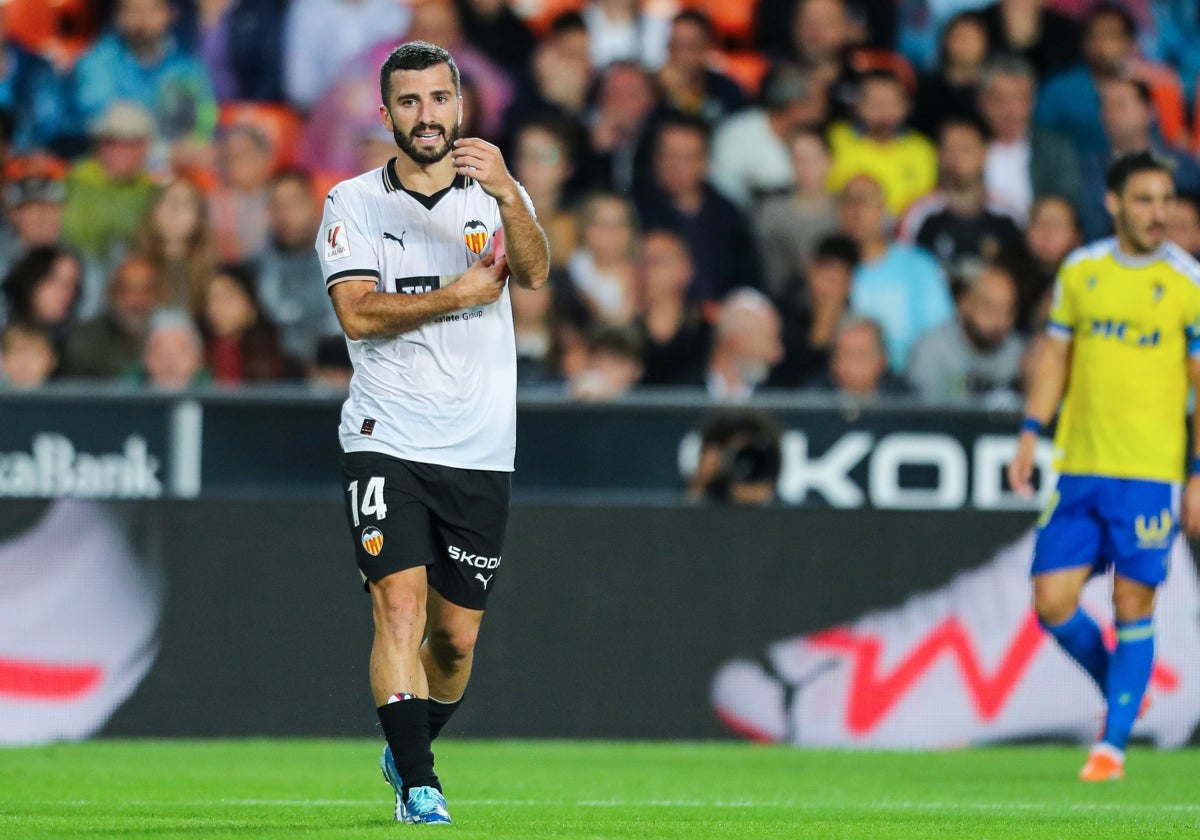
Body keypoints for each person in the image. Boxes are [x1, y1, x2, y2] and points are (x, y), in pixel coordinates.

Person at [315, 41, 549, 824]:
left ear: (460, 107)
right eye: (409, 102)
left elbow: (538, 272)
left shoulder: (496, 195)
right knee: (399, 610)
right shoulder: (352, 203)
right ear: (386, 116)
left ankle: (408, 738)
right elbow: (355, 312)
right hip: (387, 434)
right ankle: (420, 786)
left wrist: (513, 196)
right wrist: (455, 295)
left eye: (439, 100)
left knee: (454, 643)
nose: (426, 115)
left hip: (480, 444)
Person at [1007, 150, 1200, 782]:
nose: (1159, 213)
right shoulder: (1082, 271)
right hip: (1080, 466)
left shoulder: (1186, 282)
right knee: (1052, 600)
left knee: (1131, 599)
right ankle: (1120, 684)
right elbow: (1055, 358)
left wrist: (1197, 473)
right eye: (1144, 200)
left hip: (1149, 472)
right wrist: (1031, 432)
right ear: (1113, 203)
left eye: (1166, 199)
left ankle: (1111, 748)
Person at [906, 260, 1025, 404]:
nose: (1000, 321)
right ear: (964, 305)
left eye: (1008, 311)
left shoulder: (1022, 355)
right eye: (989, 308)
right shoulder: (931, 350)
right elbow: (921, 417)